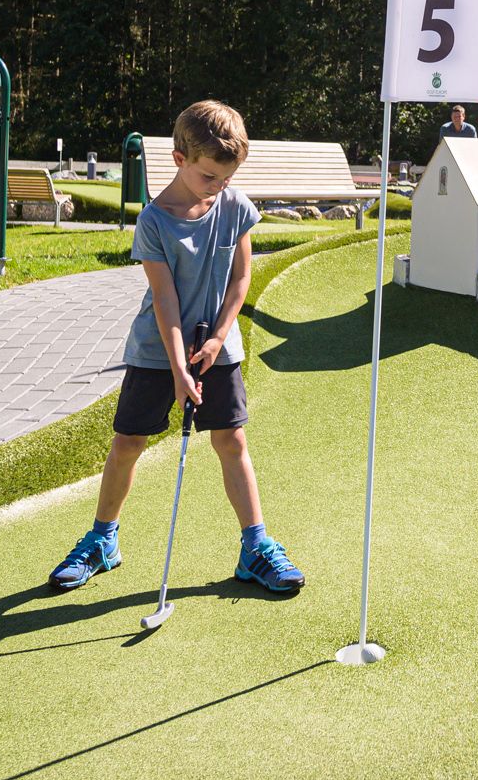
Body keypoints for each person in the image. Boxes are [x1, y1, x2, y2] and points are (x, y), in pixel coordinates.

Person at [48, 100, 304, 594]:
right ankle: (102, 540)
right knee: (128, 444)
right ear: (179, 158)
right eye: (210, 176)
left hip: (217, 348)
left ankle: (256, 547)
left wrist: (217, 337)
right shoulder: (155, 221)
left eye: (227, 177)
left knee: (231, 441)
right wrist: (178, 371)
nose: (219, 187)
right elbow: (164, 301)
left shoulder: (234, 206)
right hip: (155, 350)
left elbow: (241, 277)